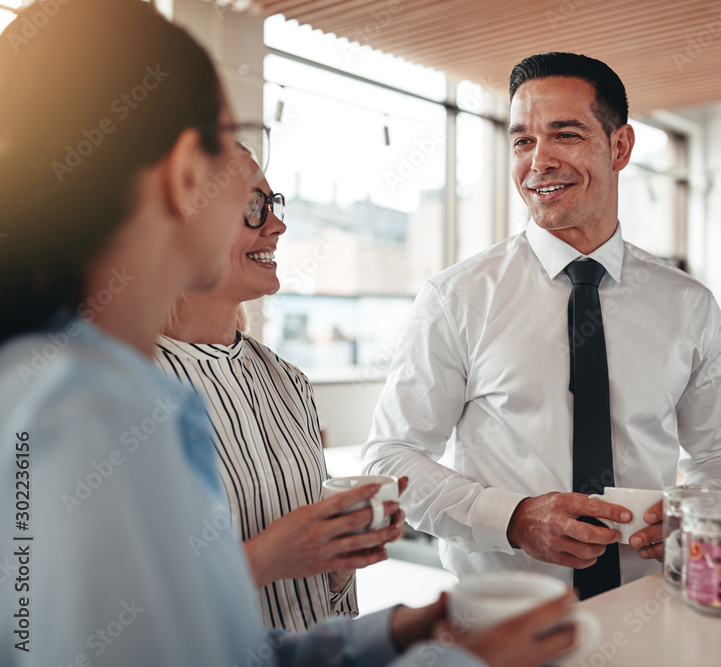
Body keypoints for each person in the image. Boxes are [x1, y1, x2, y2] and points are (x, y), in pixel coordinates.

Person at [0, 3, 578, 665]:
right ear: (189, 173)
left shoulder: (62, 387)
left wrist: (392, 634)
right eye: (247, 181)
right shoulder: (90, 417)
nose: (273, 222)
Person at [363, 52, 721, 598]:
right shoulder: (457, 299)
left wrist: (697, 510)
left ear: (620, 147)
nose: (538, 161)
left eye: (564, 135)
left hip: (651, 611)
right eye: (523, 141)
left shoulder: (688, 305)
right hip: (502, 625)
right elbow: (391, 457)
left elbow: (720, 454)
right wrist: (511, 518)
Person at [153, 146, 397, 630]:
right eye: (251, 208)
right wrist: (264, 559)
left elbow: (328, 604)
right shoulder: (121, 397)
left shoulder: (288, 382)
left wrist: (341, 555)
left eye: (272, 203)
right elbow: (106, 615)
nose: (277, 225)